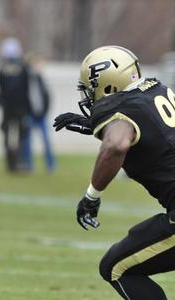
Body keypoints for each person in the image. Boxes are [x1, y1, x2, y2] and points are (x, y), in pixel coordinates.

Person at [53, 45, 175, 300]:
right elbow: (152, 128)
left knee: (116, 268)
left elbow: (117, 144)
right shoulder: (158, 90)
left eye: (90, 88)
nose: (89, 96)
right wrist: (95, 125)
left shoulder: (118, 109)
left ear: (107, 84)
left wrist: (91, 196)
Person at [0, 37, 31, 173]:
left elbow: (1, 90)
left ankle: (11, 163)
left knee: (10, 137)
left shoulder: (2, 71)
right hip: (19, 109)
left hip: (8, 109)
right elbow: (26, 90)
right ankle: (18, 162)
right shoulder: (23, 69)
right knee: (19, 137)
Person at [22, 53, 55, 172]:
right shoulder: (26, 79)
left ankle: (50, 164)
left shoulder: (40, 79)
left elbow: (46, 96)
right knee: (27, 141)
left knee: (46, 140)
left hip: (41, 115)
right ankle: (28, 164)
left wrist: (45, 110)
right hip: (30, 114)